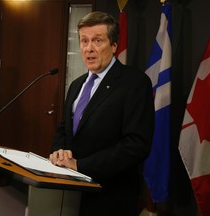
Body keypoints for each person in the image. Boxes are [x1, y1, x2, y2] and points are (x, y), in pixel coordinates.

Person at [49, 11, 154, 216]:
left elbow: (136, 144)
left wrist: (81, 165)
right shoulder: (77, 84)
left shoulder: (134, 83)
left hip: (110, 197)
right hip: (71, 192)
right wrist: (58, 151)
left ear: (114, 45)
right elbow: (65, 127)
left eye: (97, 41)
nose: (89, 49)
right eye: (84, 41)